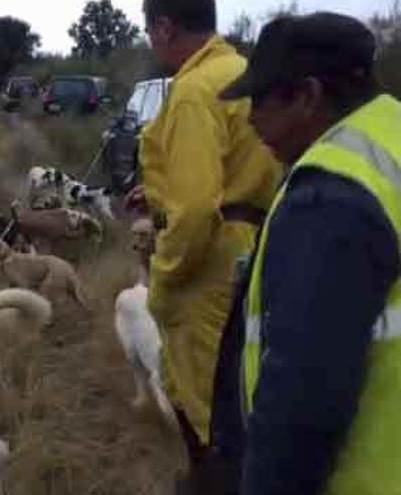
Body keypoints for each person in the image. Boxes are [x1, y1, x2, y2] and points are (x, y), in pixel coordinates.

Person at [210, 12, 401, 495]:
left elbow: (302, 402)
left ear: (308, 96)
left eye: (261, 101)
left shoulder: (328, 195)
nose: (250, 119)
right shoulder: (391, 138)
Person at [126, 0, 283, 487]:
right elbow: (238, 165)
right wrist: (156, 190)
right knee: (244, 389)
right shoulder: (241, 71)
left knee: (208, 414)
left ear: (166, 27)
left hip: (208, 262)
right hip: (253, 242)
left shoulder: (194, 90)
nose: (151, 41)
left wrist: (167, 274)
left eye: (150, 30)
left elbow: (194, 207)